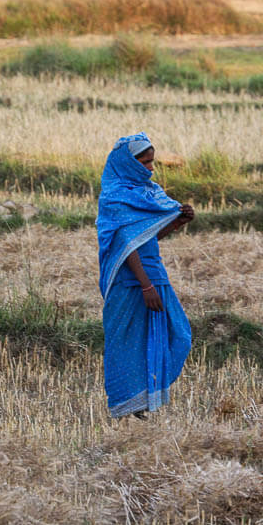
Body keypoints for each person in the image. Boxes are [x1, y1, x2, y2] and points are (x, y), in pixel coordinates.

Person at [96, 132, 195, 419]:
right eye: (145, 163)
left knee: (179, 334)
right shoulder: (114, 198)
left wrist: (177, 222)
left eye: (152, 162)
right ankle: (128, 410)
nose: (150, 168)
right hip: (132, 283)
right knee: (126, 345)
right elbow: (126, 246)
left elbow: (148, 237)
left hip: (154, 275)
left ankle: (142, 400)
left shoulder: (149, 193)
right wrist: (145, 285)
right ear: (129, 163)